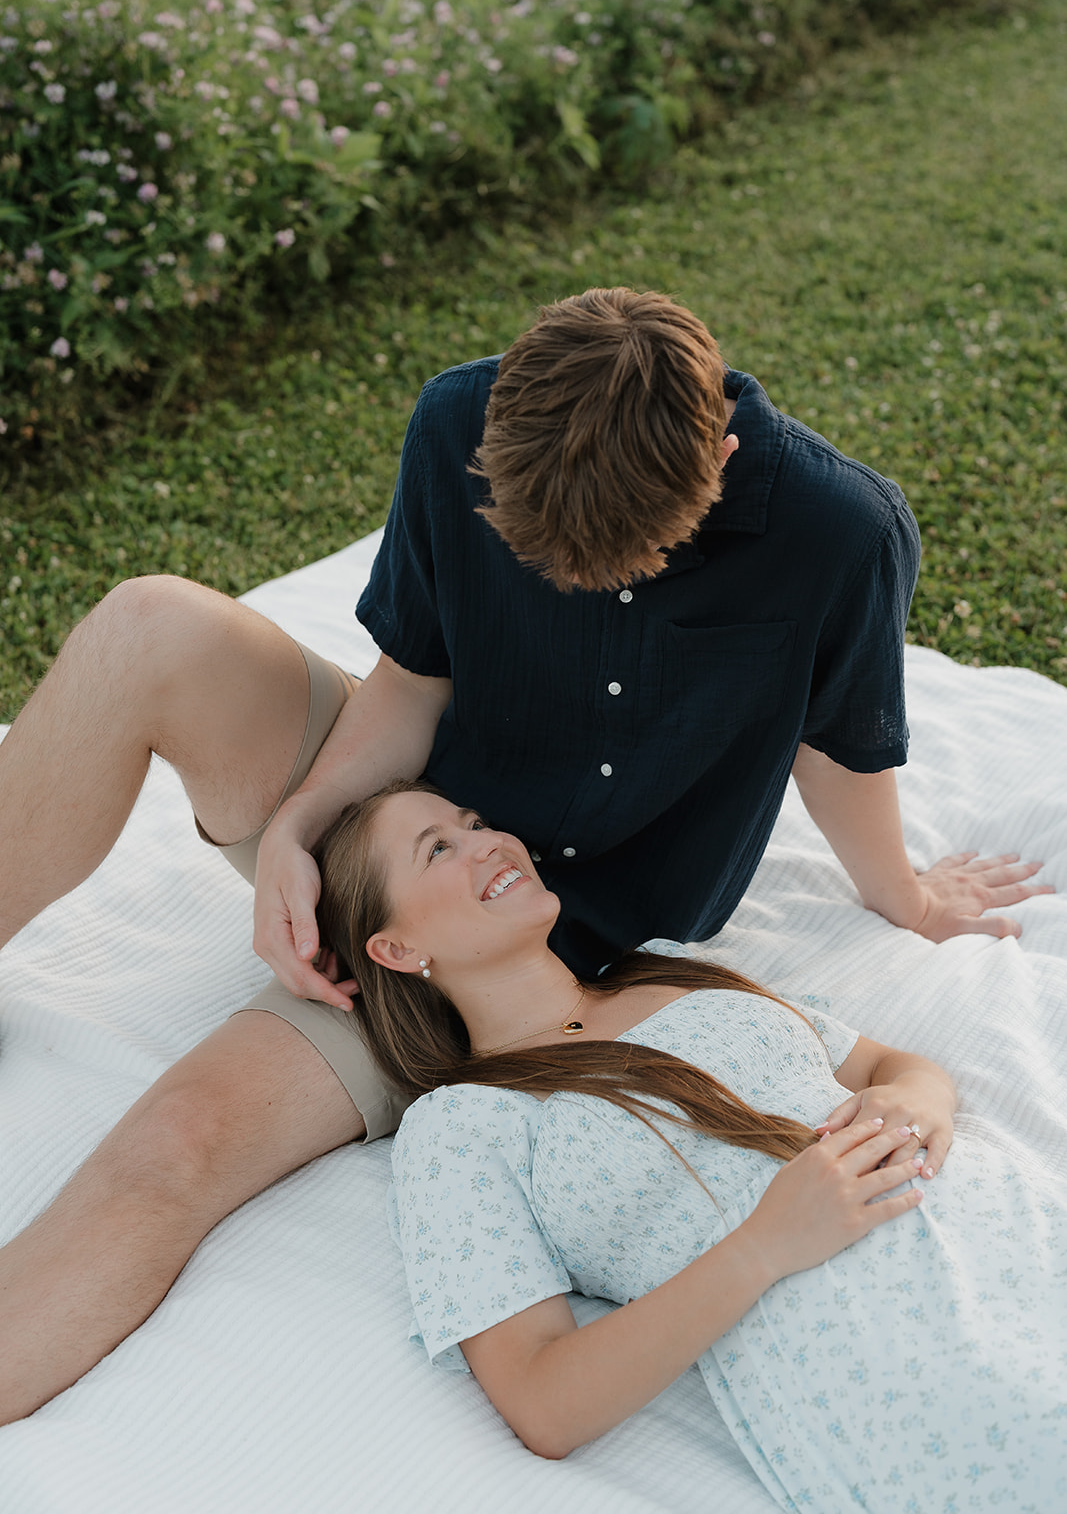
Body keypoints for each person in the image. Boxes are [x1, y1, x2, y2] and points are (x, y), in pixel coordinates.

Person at [0, 289, 1050, 1426]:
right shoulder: (456, 422)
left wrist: (900, 892)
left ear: (719, 457)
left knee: (179, 1141)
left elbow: (838, 745)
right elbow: (410, 684)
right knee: (149, 622)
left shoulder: (838, 532)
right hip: (409, 807)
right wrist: (299, 832)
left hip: (528, 943)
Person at [313, 779, 1067, 1512]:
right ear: (394, 947)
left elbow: (882, 1065)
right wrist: (764, 1245)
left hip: (1003, 1227)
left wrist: (914, 1098)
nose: (485, 843)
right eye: (437, 848)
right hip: (881, 1350)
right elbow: (542, 1403)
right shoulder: (461, 1125)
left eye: (474, 822)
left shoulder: (675, 968)